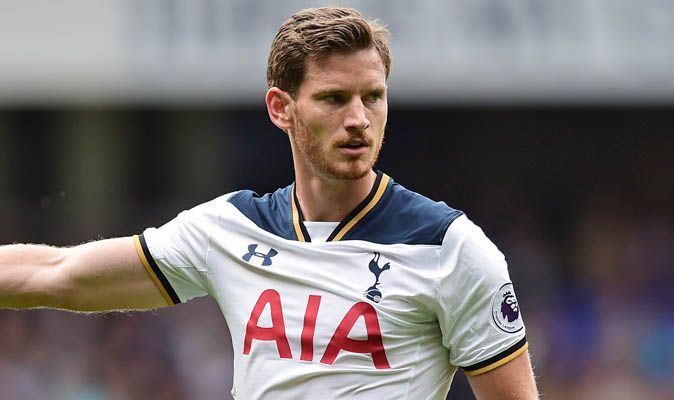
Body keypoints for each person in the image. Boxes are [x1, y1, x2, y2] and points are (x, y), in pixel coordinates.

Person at [0, 7, 538, 400]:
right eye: (333, 98)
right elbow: (60, 272)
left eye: (373, 96)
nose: (359, 118)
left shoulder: (449, 247)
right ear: (281, 108)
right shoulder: (228, 229)